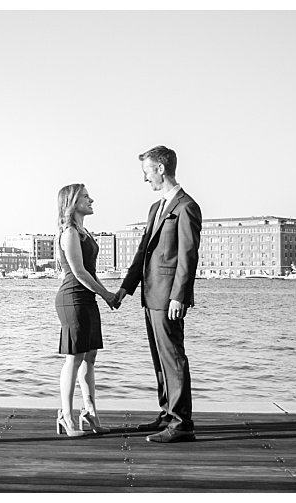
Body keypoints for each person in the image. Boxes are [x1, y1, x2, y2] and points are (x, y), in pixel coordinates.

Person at [116, 145, 202, 443]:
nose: (145, 179)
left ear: (161, 169)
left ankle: (182, 424)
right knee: (160, 358)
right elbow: (143, 252)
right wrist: (125, 288)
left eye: (147, 172)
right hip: (150, 295)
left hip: (168, 298)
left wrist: (179, 296)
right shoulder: (156, 208)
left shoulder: (186, 207)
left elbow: (188, 256)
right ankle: (167, 414)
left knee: (173, 357)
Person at [54, 183, 119, 437]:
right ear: (72, 203)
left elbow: (90, 272)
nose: (91, 200)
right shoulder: (70, 232)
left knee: (90, 356)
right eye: (85, 197)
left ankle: (90, 412)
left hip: (87, 298)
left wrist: (105, 294)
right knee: (75, 356)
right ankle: (66, 417)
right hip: (72, 298)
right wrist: (105, 294)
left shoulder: (85, 232)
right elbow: (79, 272)